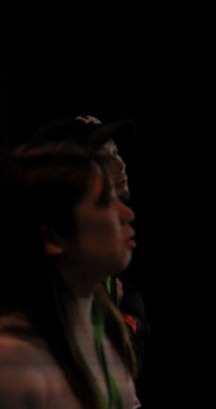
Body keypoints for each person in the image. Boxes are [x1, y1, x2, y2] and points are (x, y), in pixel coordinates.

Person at [0, 142, 141, 408]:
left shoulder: (102, 330)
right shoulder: (13, 360)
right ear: (53, 239)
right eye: (105, 202)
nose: (127, 213)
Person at [28, 115, 150, 367]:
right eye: (103, 159)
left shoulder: (104, 255)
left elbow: (136, 315)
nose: (120, 164)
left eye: (116, 152)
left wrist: (125, 324)